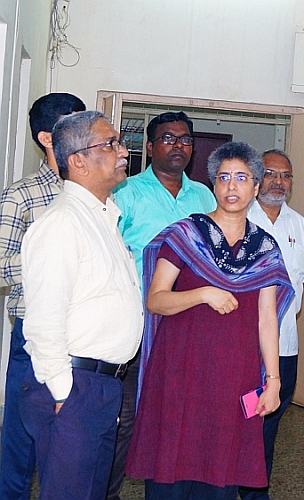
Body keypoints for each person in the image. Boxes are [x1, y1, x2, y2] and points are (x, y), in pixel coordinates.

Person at [126, 142, 295, 499]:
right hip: (179, 373)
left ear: (256, 186)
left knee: (220, 477)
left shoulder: (264, 248)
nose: (232, 186)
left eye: (242, 178)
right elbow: (156, 300)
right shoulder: (185, 234)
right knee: (170, 475)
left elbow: (267, 319)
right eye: (223, 178)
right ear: (213, 185)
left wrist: (273, 381)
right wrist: (202, 293)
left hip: (234, 376)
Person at [19, 110, 143, 500]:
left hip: (103, 386)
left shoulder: (104, 218)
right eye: (111, 144)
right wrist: (63, 393)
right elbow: (43, 322)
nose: (123, 152)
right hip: (76, 387)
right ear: (78, 161)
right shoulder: (62, 224)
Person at [107, 111, 216, 500]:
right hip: (138, 325)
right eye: (168, 138)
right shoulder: (126, 193)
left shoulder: (204, 197)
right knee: (126, 419)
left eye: (185, 139)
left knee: (177, 416)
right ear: (151, 147)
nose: (178, 146)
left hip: (190, 326)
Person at [0, 93, 86, 500]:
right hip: (34, 338)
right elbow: (1, 266)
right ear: (48, 138)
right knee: (21, 447)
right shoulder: (21, 195)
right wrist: (50, 257)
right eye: (76, 127)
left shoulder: (96, 195)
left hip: (85, 339)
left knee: (71, 447)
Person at [240, 150, 304, 500]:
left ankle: (257, 490)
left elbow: (300, 283)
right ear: (257, 177)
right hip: (245, 346)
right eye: (270, 173)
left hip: (285, 346)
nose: (278, 182)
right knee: (241, 422)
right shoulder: (239, 218)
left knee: (270, 424)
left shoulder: (299, 224)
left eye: (285, 175)